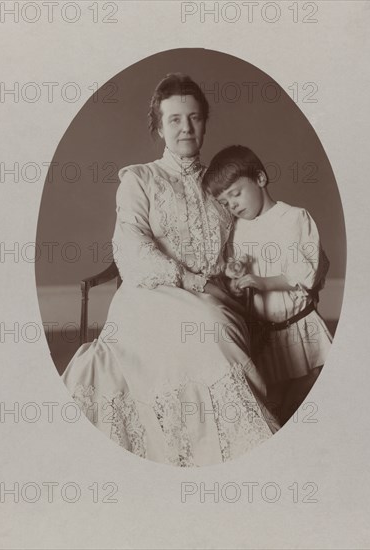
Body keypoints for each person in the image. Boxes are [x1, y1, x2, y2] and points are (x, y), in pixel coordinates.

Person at [62, 75, 276, 467]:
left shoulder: (219, 183)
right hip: (150, 295)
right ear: (158, 126)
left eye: (194, 118)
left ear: (205, 122)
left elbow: (236, 244)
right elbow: (130, 245)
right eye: (174, 119)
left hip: (213, 293)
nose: (186, 128)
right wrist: (194, 281)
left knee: (213, 319)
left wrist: (234, 267)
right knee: (208, 326)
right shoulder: (139, 179)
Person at [202, 145, 333, 424]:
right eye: (225, 202)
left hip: (297, 325)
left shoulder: (293, 218)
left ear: (260, 179)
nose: (233, 205)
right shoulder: (238, 229)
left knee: (308, 385)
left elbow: (303, 274)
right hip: (265, 334)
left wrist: (263, 281)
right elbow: (240, 282)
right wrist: (236, 278)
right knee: (273, 400)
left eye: (236, 194)